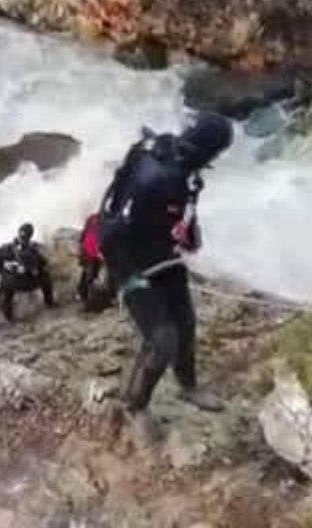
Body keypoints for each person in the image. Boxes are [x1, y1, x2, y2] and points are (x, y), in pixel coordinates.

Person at [96, 111, 234, 446]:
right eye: (217, 153)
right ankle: (135, 405)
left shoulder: (178, 160)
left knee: (185, 323)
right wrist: (129, 278)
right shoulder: (156, 176)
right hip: (129, 261)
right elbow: (110, 234)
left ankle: (188, 387)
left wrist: (189, 231)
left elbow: (179, 207)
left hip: (161, 252)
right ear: (209, 150)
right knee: (162, 338)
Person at [0, 223, 56, 321]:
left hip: (10, 282)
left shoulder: (6, 248)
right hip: (27, 283)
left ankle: (7, 313)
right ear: (30, 235)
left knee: (6, 286)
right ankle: (49, 302)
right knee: (45, 277)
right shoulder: (32, 251)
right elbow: (43, 263)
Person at [76, 212, 110, 312]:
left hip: (88, 252)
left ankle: (83, 294)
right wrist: (99, 254)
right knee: (90, 275)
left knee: (87, 274)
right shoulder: (99, 221)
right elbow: (92, 240)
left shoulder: (93, 219)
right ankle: (88, 299)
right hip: (90, 253)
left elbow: (84, 237)